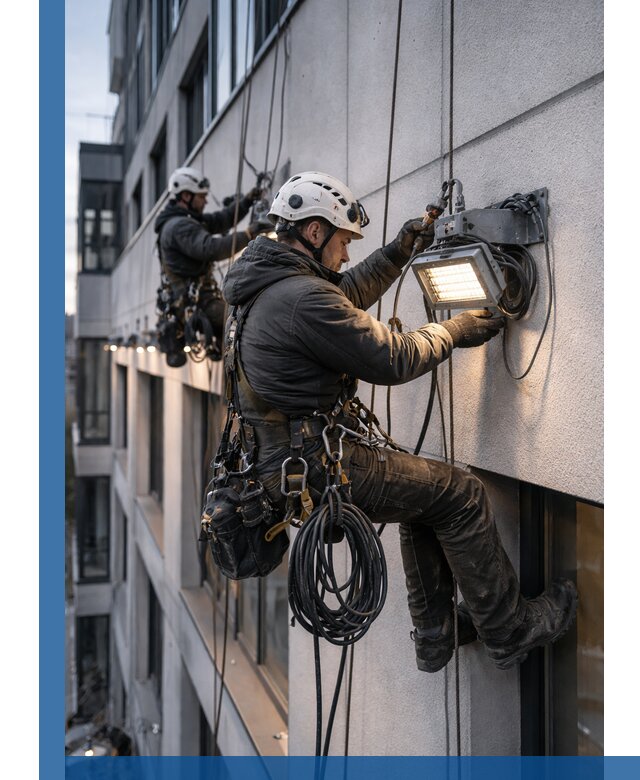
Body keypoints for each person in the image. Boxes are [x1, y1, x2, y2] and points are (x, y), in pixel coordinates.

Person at [221, 171, 577, 673]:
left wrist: (402, 248)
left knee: (423, 499)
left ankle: (436, 635)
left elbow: (342, 293)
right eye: (343, 241)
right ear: (315, 232)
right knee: (460, 494)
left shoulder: (264, 286)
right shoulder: (300, 298)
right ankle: (509, 629)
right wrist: (455, 329)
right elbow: (393, 357)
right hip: (313, 465)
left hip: (280, 465)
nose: (345, 255)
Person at [154, 166, 268, 355]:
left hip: (200, 298)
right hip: (198, 303)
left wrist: (246, 202)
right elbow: (211, 248)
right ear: (186, 196)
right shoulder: (179, 226)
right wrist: (249, 234)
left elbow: (219, 220)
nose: (206, 200)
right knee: (243, 321)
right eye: (201, 196)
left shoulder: (186, 219)